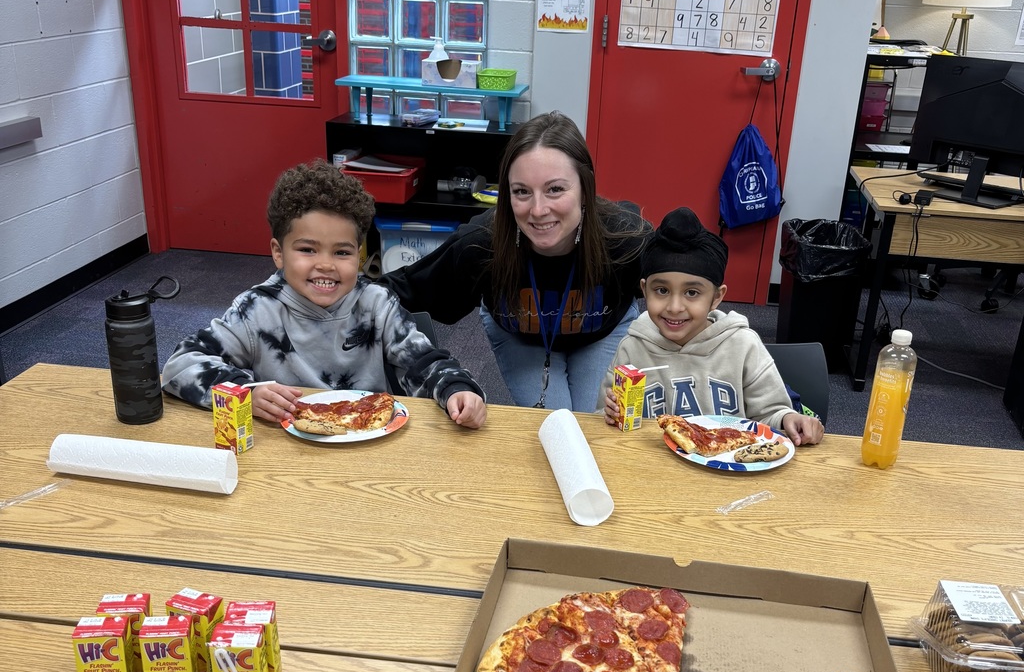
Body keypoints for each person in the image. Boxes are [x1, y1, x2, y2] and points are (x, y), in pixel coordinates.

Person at [162, 159, 487, 429]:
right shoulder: (256, 311)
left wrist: (457, 389)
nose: (325, 265)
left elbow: (424, 363)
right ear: (279, 252)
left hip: (368, 444)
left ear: (359, 254)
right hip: (284, 456)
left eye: (342, 253)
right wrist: (245, 393)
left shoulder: (376, 305)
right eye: (307, 249)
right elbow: (180, 366)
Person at [378, 111, 651, 412]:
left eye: (555, 189)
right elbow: (394, 292)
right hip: (523, 337)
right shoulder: (483, 245)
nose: (537, 209)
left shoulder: (623, 238)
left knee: (593, 421)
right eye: (522, 192)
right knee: (556, 421)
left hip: (601, 332)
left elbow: (690, 282)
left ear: (585, 189)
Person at [599, 207, 824, 446]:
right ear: (644, 289)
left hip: (728, 468)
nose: (674, 307)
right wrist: (611, 413)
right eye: (661, 290)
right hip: (655, 469)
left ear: (717, 297)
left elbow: (770, 415)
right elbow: (602, 418)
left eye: (692, 292)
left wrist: (789, 418)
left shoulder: (743, 345)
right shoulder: (632, 348)